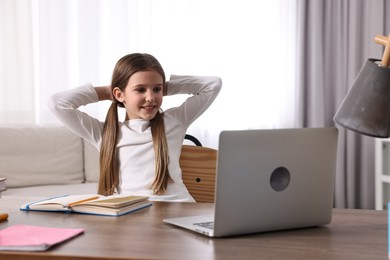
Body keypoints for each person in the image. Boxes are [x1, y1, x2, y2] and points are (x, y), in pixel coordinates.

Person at [48, 53, 222, 202]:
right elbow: (57, 103)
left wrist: (166, 86)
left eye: (156, 89)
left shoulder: (175, 120)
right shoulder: (105, 133)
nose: (150, 97)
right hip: (134, 215)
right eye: (140, 90)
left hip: (179, 208)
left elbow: (213, 84)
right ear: (119, 93)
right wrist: (108, 92)